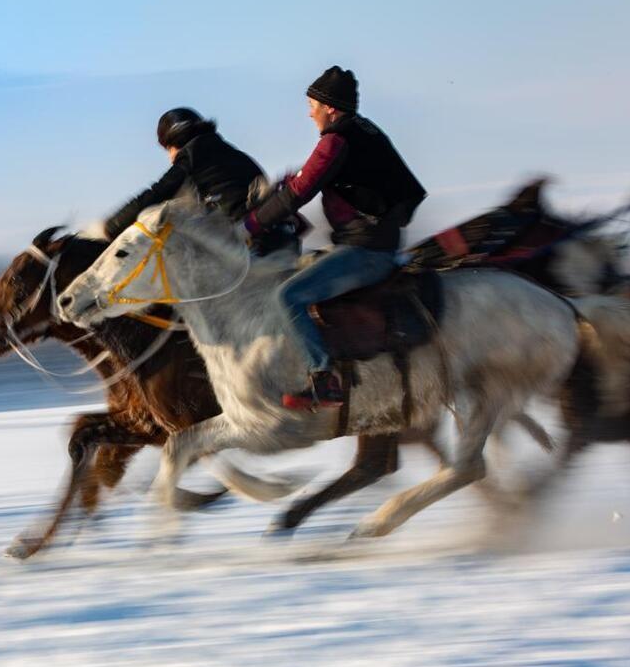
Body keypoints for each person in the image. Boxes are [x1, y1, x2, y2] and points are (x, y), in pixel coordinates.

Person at [242, 66, 427, 411]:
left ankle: (324, 377)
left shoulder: (335, 140)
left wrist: (249, 226)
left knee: (288, 296)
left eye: (312, 104)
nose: (308, 112)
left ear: (330, 107)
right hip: (375, 243)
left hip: (365, 250)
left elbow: (300, 191)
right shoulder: (366, 131)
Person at [103, 108, 269, 242]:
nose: (170, 158)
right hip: (270, 231)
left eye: (168, 149)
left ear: (174, 142)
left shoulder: (192, 155)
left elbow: (157, 193)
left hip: (244, 240)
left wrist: (113, 225)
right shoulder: (231, 153)